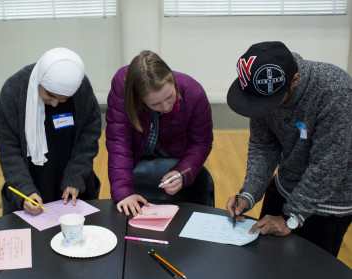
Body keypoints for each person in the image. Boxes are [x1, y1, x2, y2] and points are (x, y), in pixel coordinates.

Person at [226, 41, 352, 257]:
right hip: (285, 186)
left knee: (308, 276)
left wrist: (291, 218)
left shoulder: (335, 92)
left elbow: (328, 166)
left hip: (329, 203)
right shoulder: (262, 86)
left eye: (270, 103)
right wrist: (249, 193)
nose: (264, 110)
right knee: (264, 264)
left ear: (295, 80)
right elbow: (263, 146)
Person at [106, 50, 213, 216]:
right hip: (136, 160)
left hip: (176, 158)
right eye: (155, 104)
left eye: (170, 97)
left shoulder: (193, 92)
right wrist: (124, 191)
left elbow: (201, 142)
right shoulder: (122, 86)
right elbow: (119, 141)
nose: (165, 107)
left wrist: (182, 172)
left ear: (172, 79)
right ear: (138, 98)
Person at [0, 47, 101, 216]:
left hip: (71, 183)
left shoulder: (81, 89)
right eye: (50, 95)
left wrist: (76, 176)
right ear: (39, 80)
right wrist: (25, 190)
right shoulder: (13, 90)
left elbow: (89, 135)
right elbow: (9, 150)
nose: (54, 104)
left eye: (63, 99)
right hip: (32, 180)